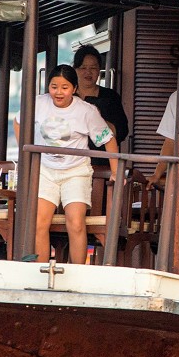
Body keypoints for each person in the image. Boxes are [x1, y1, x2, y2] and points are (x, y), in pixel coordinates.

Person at [29, 63, 119, 264]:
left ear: (74, 89)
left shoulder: (87, 111)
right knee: (38, 223)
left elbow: (108, 139)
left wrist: (116, 171)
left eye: (64, 87)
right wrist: (24, 151)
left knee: (76, 223)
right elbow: (19, 122)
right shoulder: (38, 103)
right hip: (45, 169)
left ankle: (77, 273)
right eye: (54, 86)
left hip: (76, 171)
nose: (58, 92)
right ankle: (40, 273)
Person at [72, 45, 129, 145]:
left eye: (93, 68)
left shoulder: (110, 96)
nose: (88, 72)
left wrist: (98, 118)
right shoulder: (69, 96)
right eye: (83, 67)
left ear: (99, 70)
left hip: (101, 157)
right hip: (72, 158)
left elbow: (121, 131)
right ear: (75, 70)